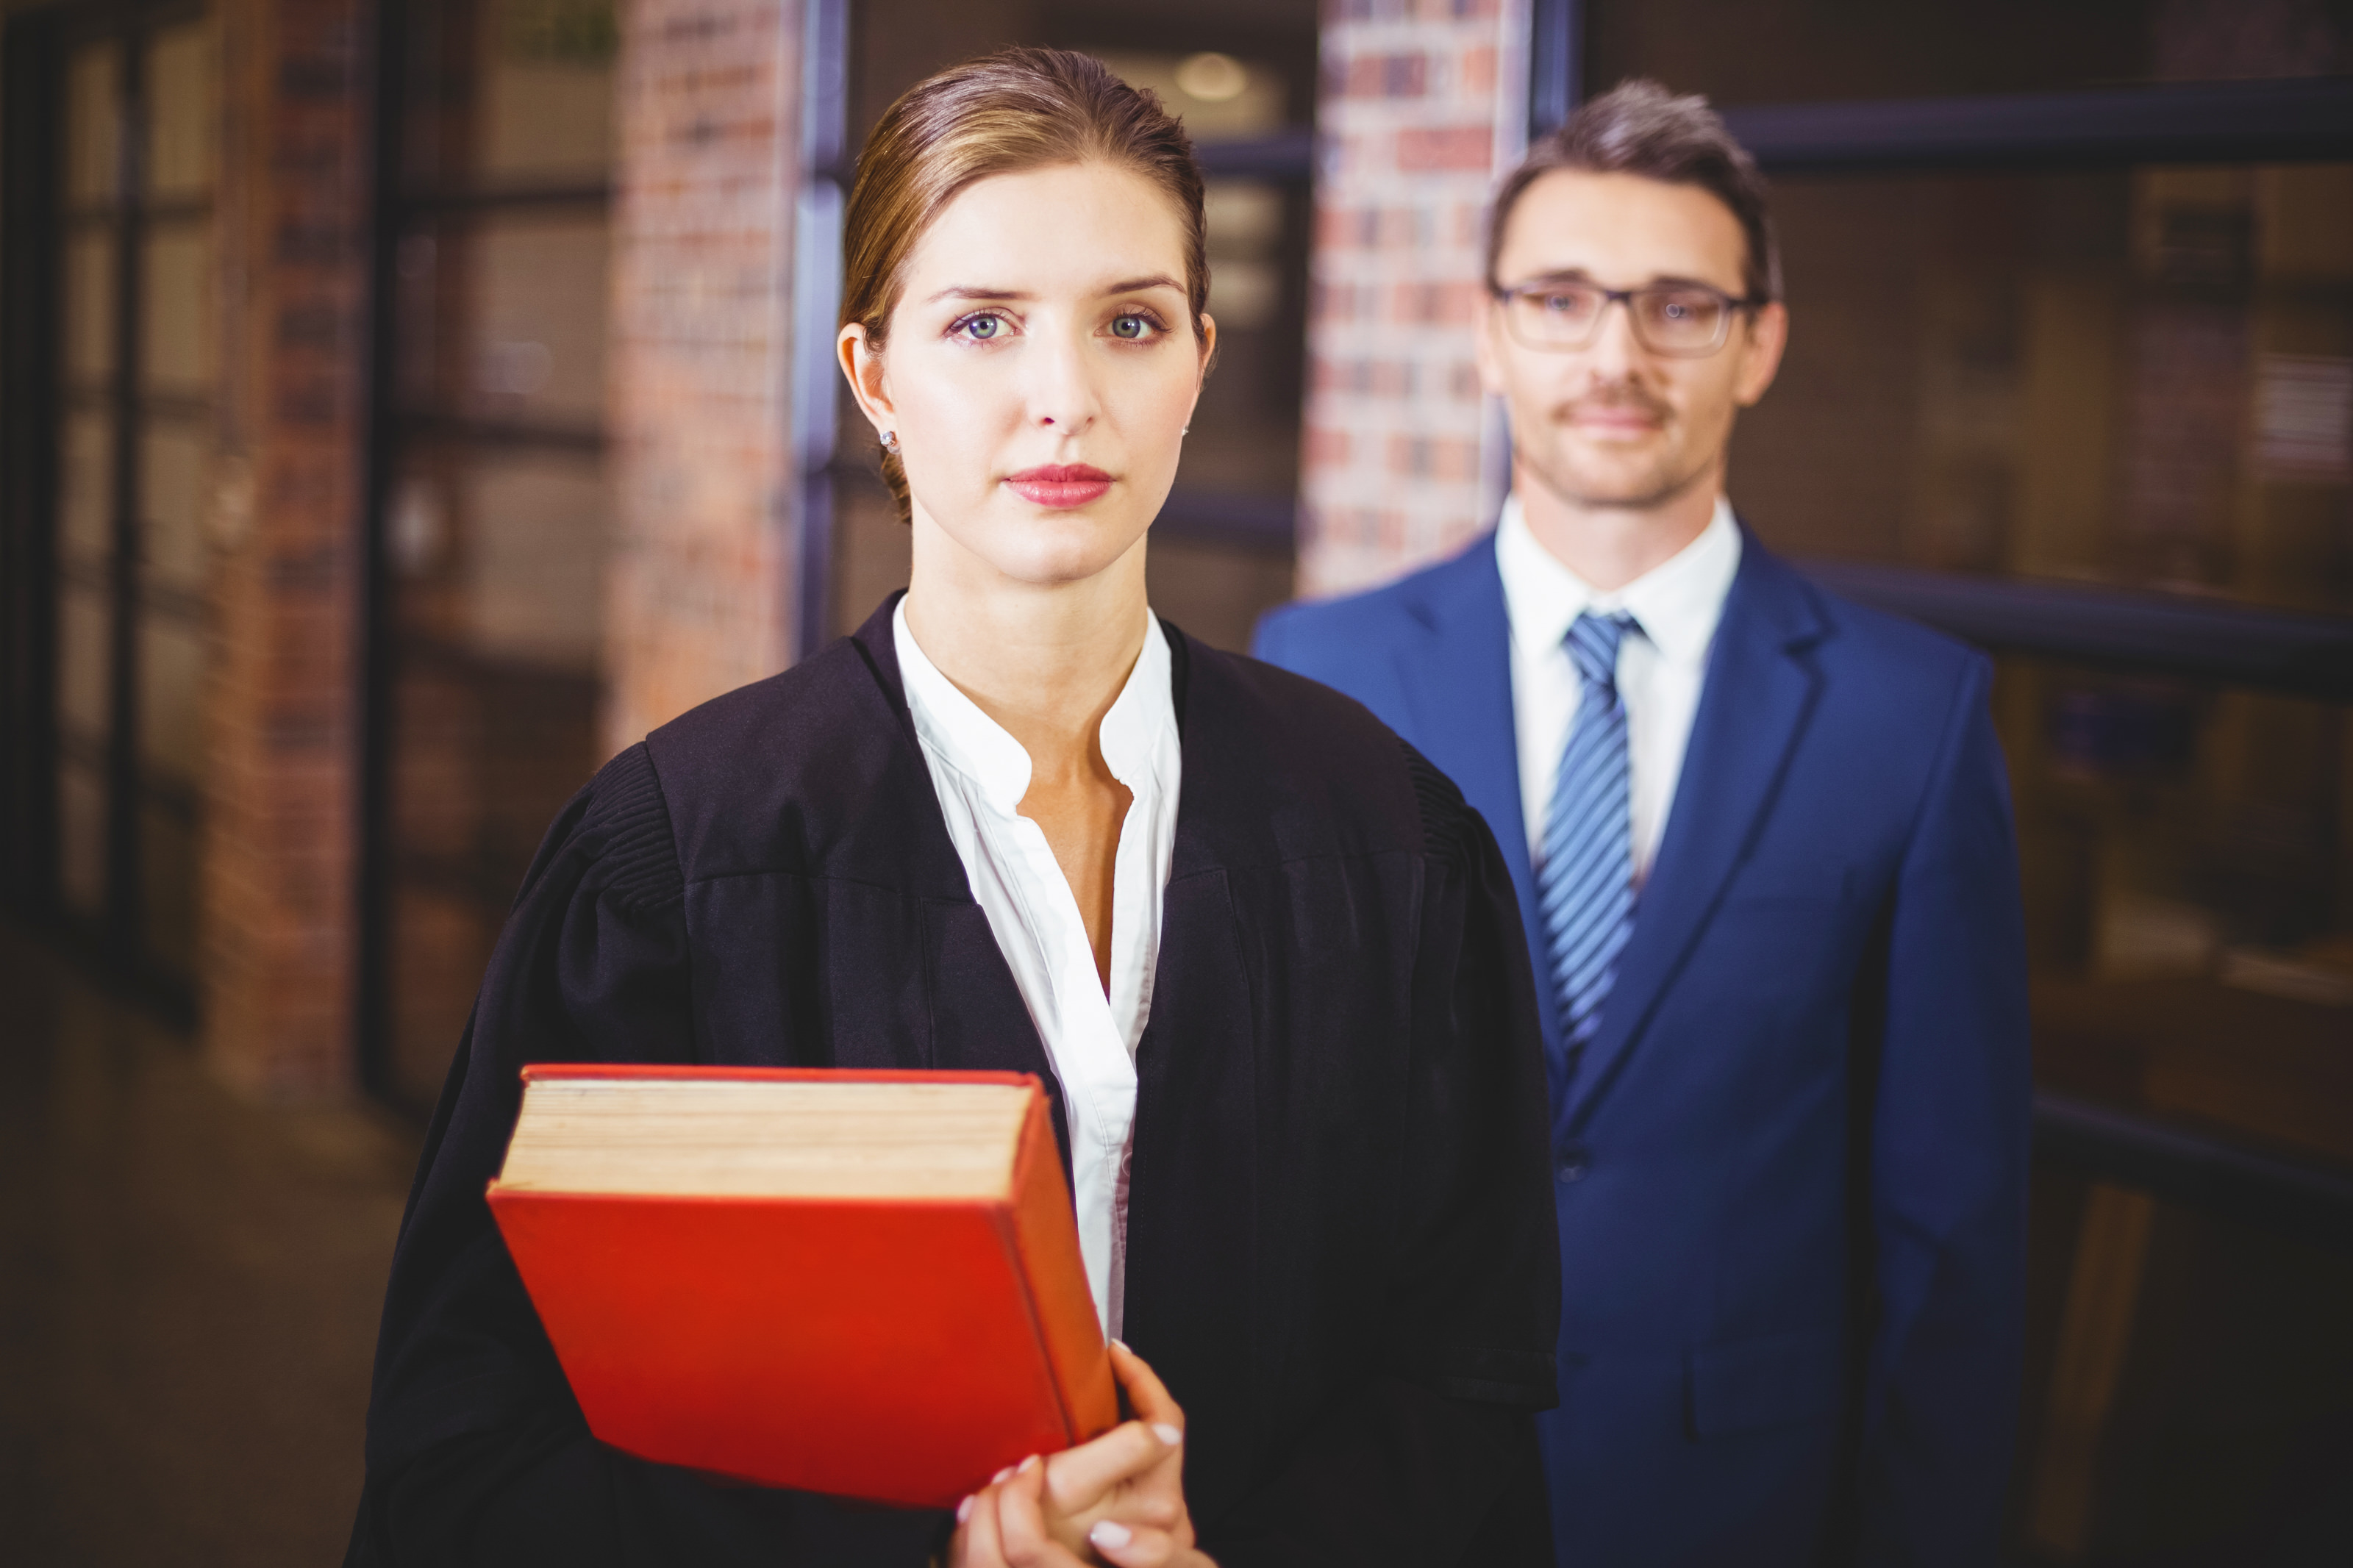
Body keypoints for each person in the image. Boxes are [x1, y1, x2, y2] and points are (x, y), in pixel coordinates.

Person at [347, 49, 1559, 1568]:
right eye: (982, 324)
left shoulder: (1387, 839)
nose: (1065, 397)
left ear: (1197, 354)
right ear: (872, 375)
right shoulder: (676, 862)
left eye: (1128, 321)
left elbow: (1465, 1377)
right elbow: (473, 1456)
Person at [1254, 81, 2030, 1568]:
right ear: (1489, 335)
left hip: (1735, 1506)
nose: (1614, 355)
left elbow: (1954, 1237)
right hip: (1368, 1491)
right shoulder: (1317, 670)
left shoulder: (1909, 718)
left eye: (1679, 305)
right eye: (1559, 299)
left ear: (1760, 344)